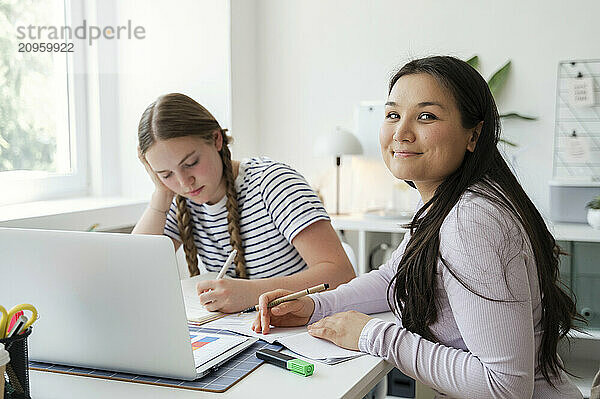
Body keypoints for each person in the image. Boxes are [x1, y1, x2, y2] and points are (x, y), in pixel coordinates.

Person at [253, 56, 584, 398]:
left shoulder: (470, 220)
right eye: (393, 115)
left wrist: (372, 335)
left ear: (474, 134)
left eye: (426, 116)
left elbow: (504, 387)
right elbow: (392, 277)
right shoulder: (446, 202)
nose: (401, 133)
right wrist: (315, 306)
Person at [132, 93, 355, 313]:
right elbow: (134, 273)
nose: (184, 182)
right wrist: (161, 194)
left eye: (191, 163)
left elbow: (341, 274)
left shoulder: (272, 183)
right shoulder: (177, 199)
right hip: (241, 333)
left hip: (303, 329)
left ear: (216, 139)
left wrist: (251, 294)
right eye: (165, 173)